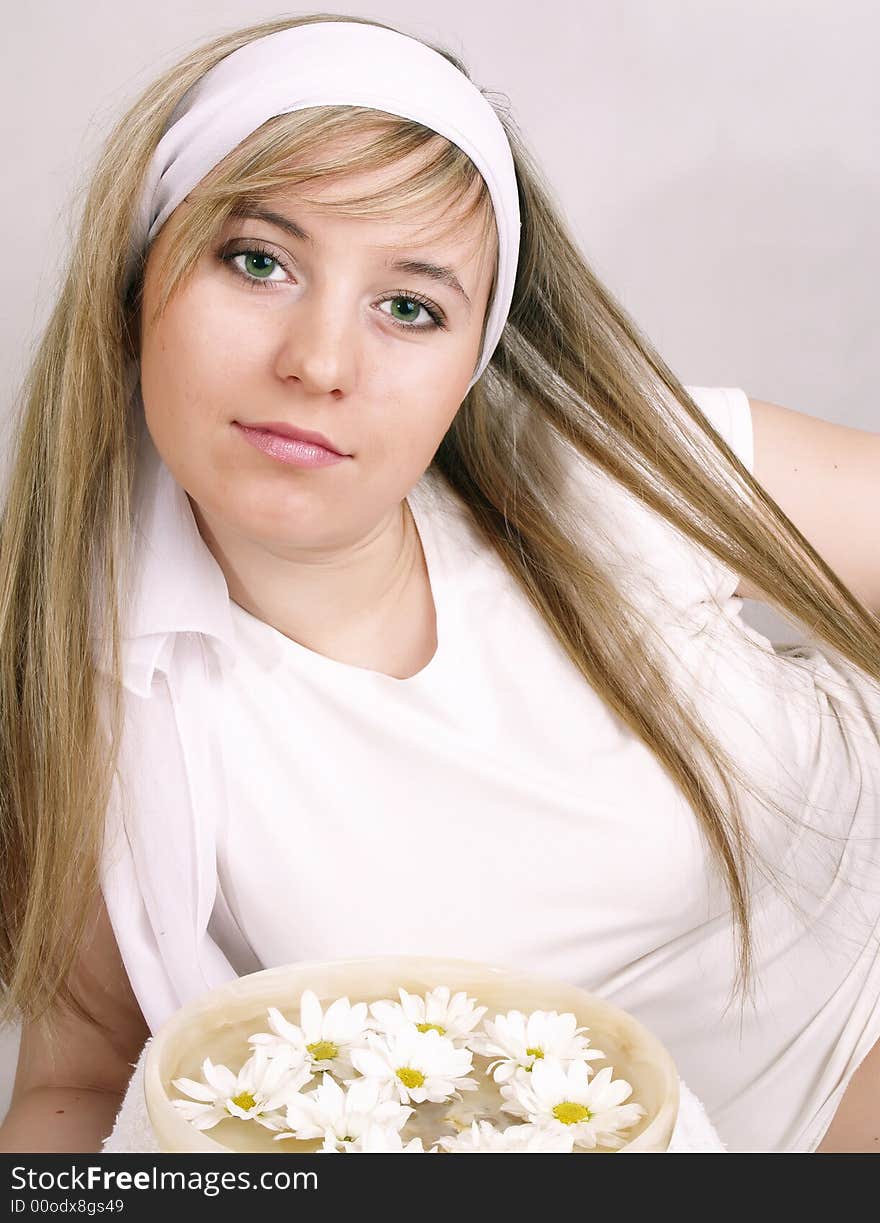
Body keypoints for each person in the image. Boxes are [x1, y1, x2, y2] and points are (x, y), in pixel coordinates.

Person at [0, 13, 878, 1155]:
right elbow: (81, 1084)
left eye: (408, 306)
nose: (318, 363)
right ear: (138, 277)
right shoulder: (95, 697)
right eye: (256, 261)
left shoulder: (606, 469)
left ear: (471, 364)